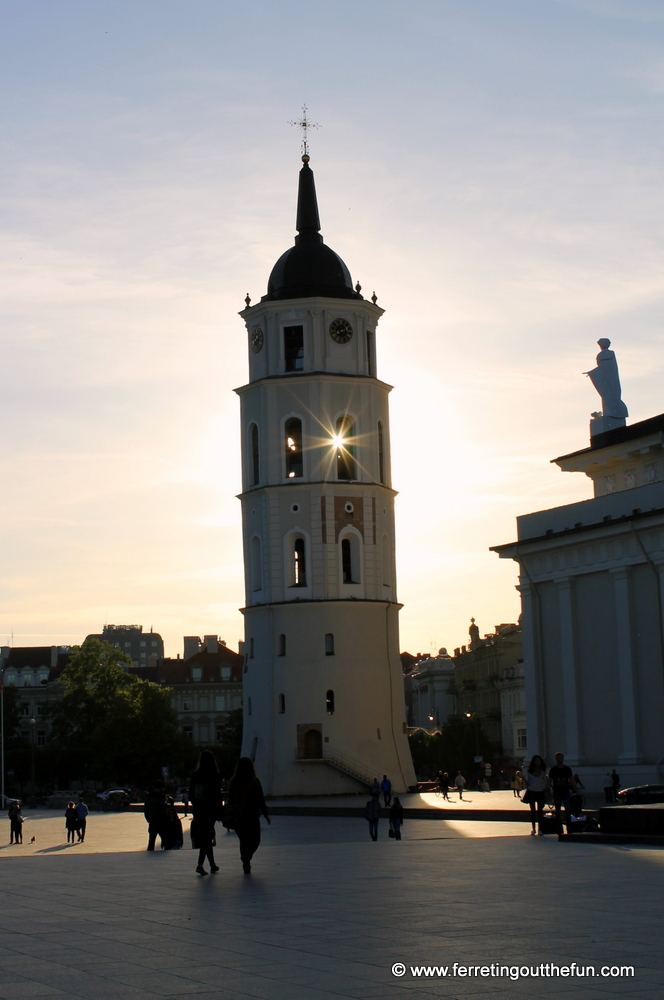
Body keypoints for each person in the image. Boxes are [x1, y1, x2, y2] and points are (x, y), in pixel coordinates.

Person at [227, 756, 270, 873]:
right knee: (255, 840)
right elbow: (260, 799)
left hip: (239, 816)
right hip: (251, 815)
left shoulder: (234, 782)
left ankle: (245, 860)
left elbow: (230, 800)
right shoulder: (255, 781)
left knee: (244, 840)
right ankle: (247, 858)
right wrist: (265, 813)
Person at [189, 750, 223, 875]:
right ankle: (200, 864)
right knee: (206, 838)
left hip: (199, 810)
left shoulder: (196, 775)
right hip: (211, 810)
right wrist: (219, 811)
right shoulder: (215, 775)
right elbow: (217, 795)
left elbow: (191, 795)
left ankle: (212, 865)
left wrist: (197, 805)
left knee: (206, 837)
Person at [548, 752, 577, 834]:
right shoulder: (553, 770)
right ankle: (559, 827)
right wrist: (547, 790)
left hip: (566, 791)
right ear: (556, 759)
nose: (559, 759)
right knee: (557, 811)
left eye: (560, 758)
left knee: (568, 810)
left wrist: (576, 790)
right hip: (557, 791)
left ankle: (569, 827)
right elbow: (549, 780)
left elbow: (571, 780)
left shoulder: (567, 769)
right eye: (557, 758)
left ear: (563, 759)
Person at [523, 755, 549, 835]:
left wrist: (545, 789)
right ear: (533, 762)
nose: (538, 762)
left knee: (540, 811)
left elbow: (544, 781)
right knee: (533, 811)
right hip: (531, 791)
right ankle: (533, 828)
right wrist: (524, 780)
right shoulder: (530, 772)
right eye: (536, 761)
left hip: (540, 791)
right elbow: (528, 783)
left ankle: (540, 829)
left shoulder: (543, 771)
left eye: (539, 761)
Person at [144, 783, 167, 851]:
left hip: (152, 821)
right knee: (165, 839)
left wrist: (149, 819)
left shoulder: (149, 797)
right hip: (160, 821)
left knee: (151, 840)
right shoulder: (161, 797)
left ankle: (150, 853)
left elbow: (146, 809)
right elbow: (163, 809)